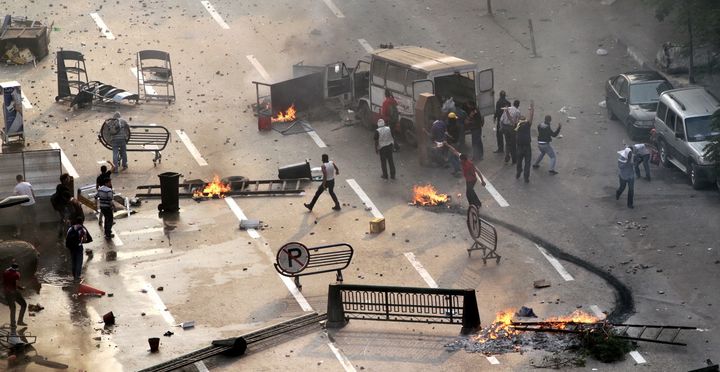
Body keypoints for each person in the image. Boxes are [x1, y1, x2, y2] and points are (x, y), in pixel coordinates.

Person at [3, 262, 27, 330]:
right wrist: (22, 288)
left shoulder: (5, 272)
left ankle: (13, 324)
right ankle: (20, 321)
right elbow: (16, 284)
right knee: (24, 304)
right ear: (17, 268)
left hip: (7, 292)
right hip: (13, 292)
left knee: (13, 308)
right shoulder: (16, 274)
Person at [515, 101, 534, 183]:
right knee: (527, 162)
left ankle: (519, 172)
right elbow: (531, 117)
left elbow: (511, 119)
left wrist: (507, 112)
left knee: (519, 161)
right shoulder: (527, 124)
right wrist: (531, 109)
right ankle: (526, 177)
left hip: (519, 146)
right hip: (527, 146)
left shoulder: (517, 126)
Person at [500, 100, 521, 164]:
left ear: (513, 104)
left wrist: (501, 127)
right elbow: (518, 122)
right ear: (518, 105)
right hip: (511, 128)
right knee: (513, 144)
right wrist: (517, 130)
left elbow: (501, 119)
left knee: (507, 142)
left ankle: (507, 154)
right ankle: (514, 159)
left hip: (505, 127)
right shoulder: (517, 111)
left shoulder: (507, 109)